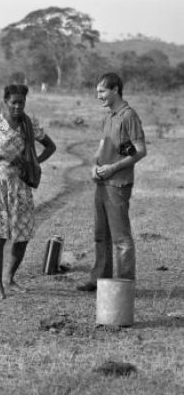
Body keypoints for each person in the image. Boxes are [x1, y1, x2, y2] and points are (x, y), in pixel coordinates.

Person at [0, 84, 56, 300]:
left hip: (20, 186)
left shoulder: (29, 124)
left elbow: (50, 146)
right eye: (14, 102)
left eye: (22, 102)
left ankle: (10, 278)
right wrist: (1, 155)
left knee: (22, 236)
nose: (18, 106)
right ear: (5, 102)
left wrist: (33, 163)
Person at [77, 72, 147, 292]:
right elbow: (101, 147)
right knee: (101, 235)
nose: (99, 96)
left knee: (121, 238)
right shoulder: (108, 116)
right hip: (102, 182)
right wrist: (94, 166)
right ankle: (100, 280)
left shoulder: (129, 116)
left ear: (115, 89)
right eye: (97, 91)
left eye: (102, 91)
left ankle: (124, 286)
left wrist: (112, 168)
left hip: (118, 184)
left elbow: (140, 151)